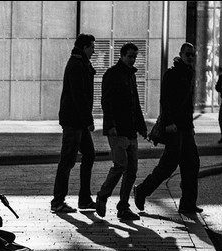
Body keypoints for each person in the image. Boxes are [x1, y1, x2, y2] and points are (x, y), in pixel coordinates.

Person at [135, 42, 202, 218]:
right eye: (187, 54)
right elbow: (165, 101)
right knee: (167, 166)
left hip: (186, 128)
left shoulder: (190, 73)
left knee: (192, 164)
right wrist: (169, 123)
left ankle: (188, 204)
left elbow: (188, 105)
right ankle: (141, 191)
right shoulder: (172, 74)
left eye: (192, 54)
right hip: (174, 128)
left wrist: (191, 126)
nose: (190, 57)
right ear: (180, 54)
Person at [95, 42, 147, 221]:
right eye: (130, 56)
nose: (133, 60)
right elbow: (106, 101)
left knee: (131, 169)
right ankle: (103, 196)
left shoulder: (131, 76)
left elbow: (135, 103)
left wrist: (141, 126)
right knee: (120, 165)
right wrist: (110, 126)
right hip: (118, 130)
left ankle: (123, 206)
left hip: (131, 129)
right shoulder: (112, 74)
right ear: (122, 55)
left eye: (135, 57)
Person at [51, 33, 97, 213]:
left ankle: (84, 199)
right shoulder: (76, 65)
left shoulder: (81, 62)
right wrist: (89, 120)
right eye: (92, 47)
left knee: (89, 154)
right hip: (74, 120)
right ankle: (58, 201)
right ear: (84, 47)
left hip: (77, 120)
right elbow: (79, 96)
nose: (93, 51)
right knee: (67, 160)